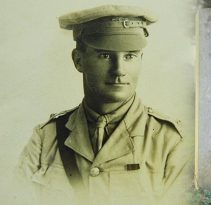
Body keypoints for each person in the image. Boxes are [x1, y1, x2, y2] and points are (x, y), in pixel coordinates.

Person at [16, 5, 192, 205]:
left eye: (129, 56)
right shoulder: (46, 138)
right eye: (105, 55)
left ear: (141, 59)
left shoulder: (170, 141)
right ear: (78, 60)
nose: (119, 70)